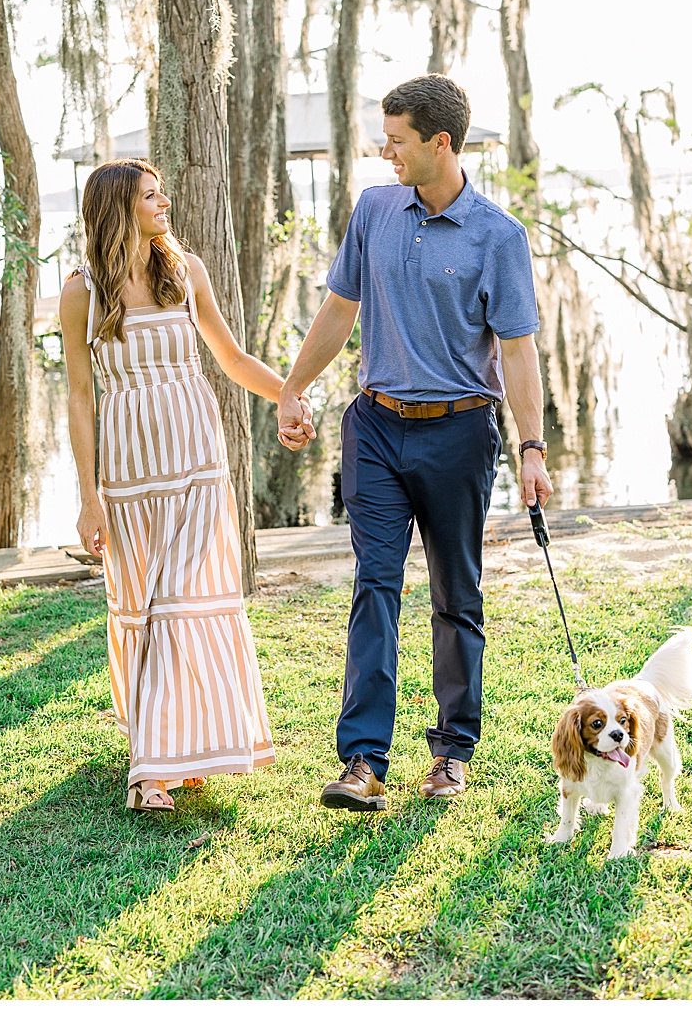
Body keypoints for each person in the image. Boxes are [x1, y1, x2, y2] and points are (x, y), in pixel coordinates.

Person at [277, 73, 553, 811]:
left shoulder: (498, 236)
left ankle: (451, 753)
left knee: (455, 593)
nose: (386, 151)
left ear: (442, 142)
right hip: (374, 425)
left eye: (397, 140)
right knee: (375, 584)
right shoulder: (375, 210)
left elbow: (517, 350)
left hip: (459, 432)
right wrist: (292, 385)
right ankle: (363, 761)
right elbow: (340, 309)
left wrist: (531, 447)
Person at [60, 158, 296, 812]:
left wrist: (289, 395)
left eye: (161, 193)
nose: (164, 203)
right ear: (118, 209)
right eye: (150, 196)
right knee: (144, 605)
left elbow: (231, 358)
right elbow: (80, 397)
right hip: (131, 473)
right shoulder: (82, 291)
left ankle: (154, 771)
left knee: (185, 601)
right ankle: (164, 749)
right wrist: (88, 497)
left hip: (197, 462)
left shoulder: (185, 272)